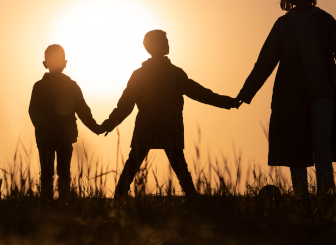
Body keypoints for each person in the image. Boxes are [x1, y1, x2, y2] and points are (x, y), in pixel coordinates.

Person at [237, 0, 336, 196]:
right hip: (291, 96)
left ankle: (325, 195)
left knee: (322, 148)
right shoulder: (283, 24)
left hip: (323, 94)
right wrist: (246, 92)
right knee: (295, 148)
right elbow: (264, 62)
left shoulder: (325, 20)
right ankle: (300, 195)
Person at [101, 29, 239, 197]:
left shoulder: (171, 73)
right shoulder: (159, 74)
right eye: (164, 41)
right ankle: (120, 197)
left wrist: (226, 102)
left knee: (174, 165)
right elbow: (126, 105)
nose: (168, 44)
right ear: (154, 46)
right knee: (141, 164)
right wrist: (110, 123)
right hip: (156, 126)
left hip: (163, 126)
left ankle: (191, 199)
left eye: (167, 41)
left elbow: (199, 93)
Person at [28, 44, 104, 200]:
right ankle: (60, 201)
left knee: (54, 171)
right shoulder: (65, 86)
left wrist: (96, 127)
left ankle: (54, 201)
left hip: (55, 136)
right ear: (65, 63)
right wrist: (96, 127)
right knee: (57, 171)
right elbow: (83, 111)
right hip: (53, 136)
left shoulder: (47, 86)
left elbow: (82, 110)